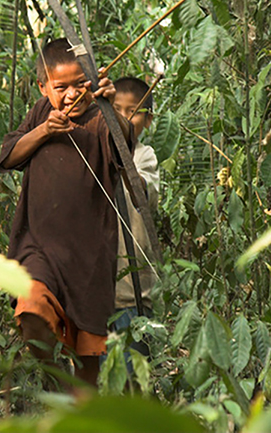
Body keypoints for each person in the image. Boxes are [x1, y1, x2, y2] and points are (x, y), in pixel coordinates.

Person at [0, 39, 131, 387]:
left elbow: (123, 146)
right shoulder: (42, 112)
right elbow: (9, 156)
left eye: (79, 84)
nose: (72, 94)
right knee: (31, 311)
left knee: (89, 366)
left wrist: (111, 106)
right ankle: (57, 380)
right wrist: (44, 130)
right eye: (61, 87)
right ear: (43, 87)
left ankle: (78, 410)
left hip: (89, 259)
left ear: (92, 79)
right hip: (39, 246)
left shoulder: (101, 117)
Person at [109, 76, 160, 361]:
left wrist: (122, 162)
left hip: (133, 291)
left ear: (148, 120)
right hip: (98, 290)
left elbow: (143, 190)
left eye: (133, 111)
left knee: (133, 370)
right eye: (116, 109)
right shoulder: (93, 150)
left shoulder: (144, 155)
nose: (124, 118)